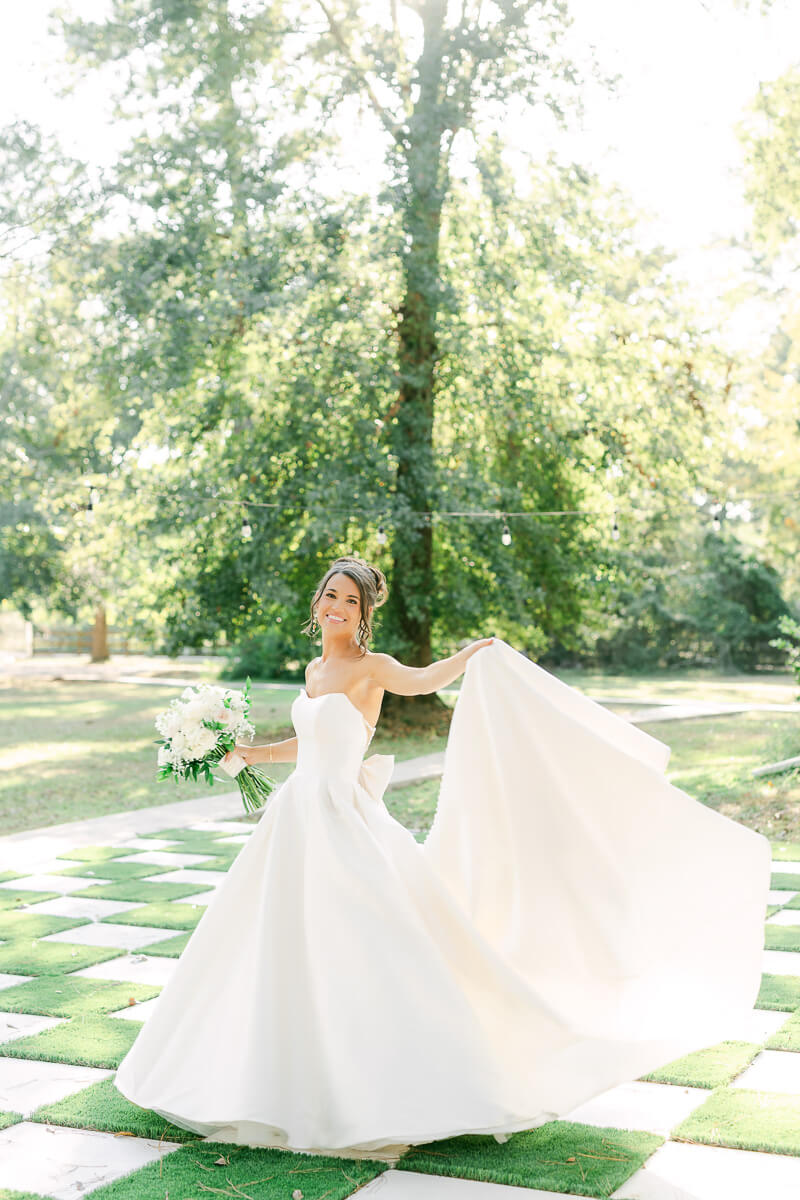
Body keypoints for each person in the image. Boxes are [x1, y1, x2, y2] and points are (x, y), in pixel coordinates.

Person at [114, 555, 771, 1164]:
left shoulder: (374, 668)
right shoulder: (314, 673)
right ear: (317, 606)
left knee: (372, 944)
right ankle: (273, 1074)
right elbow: (308, 743)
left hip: (345, 822)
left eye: (350, 600)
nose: (338, 607)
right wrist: (249, 755)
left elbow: (424, 681)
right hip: (294, 820)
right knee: (275, 947)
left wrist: (478, 653)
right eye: (331, 596)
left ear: (363, 614)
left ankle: (402, 1080)